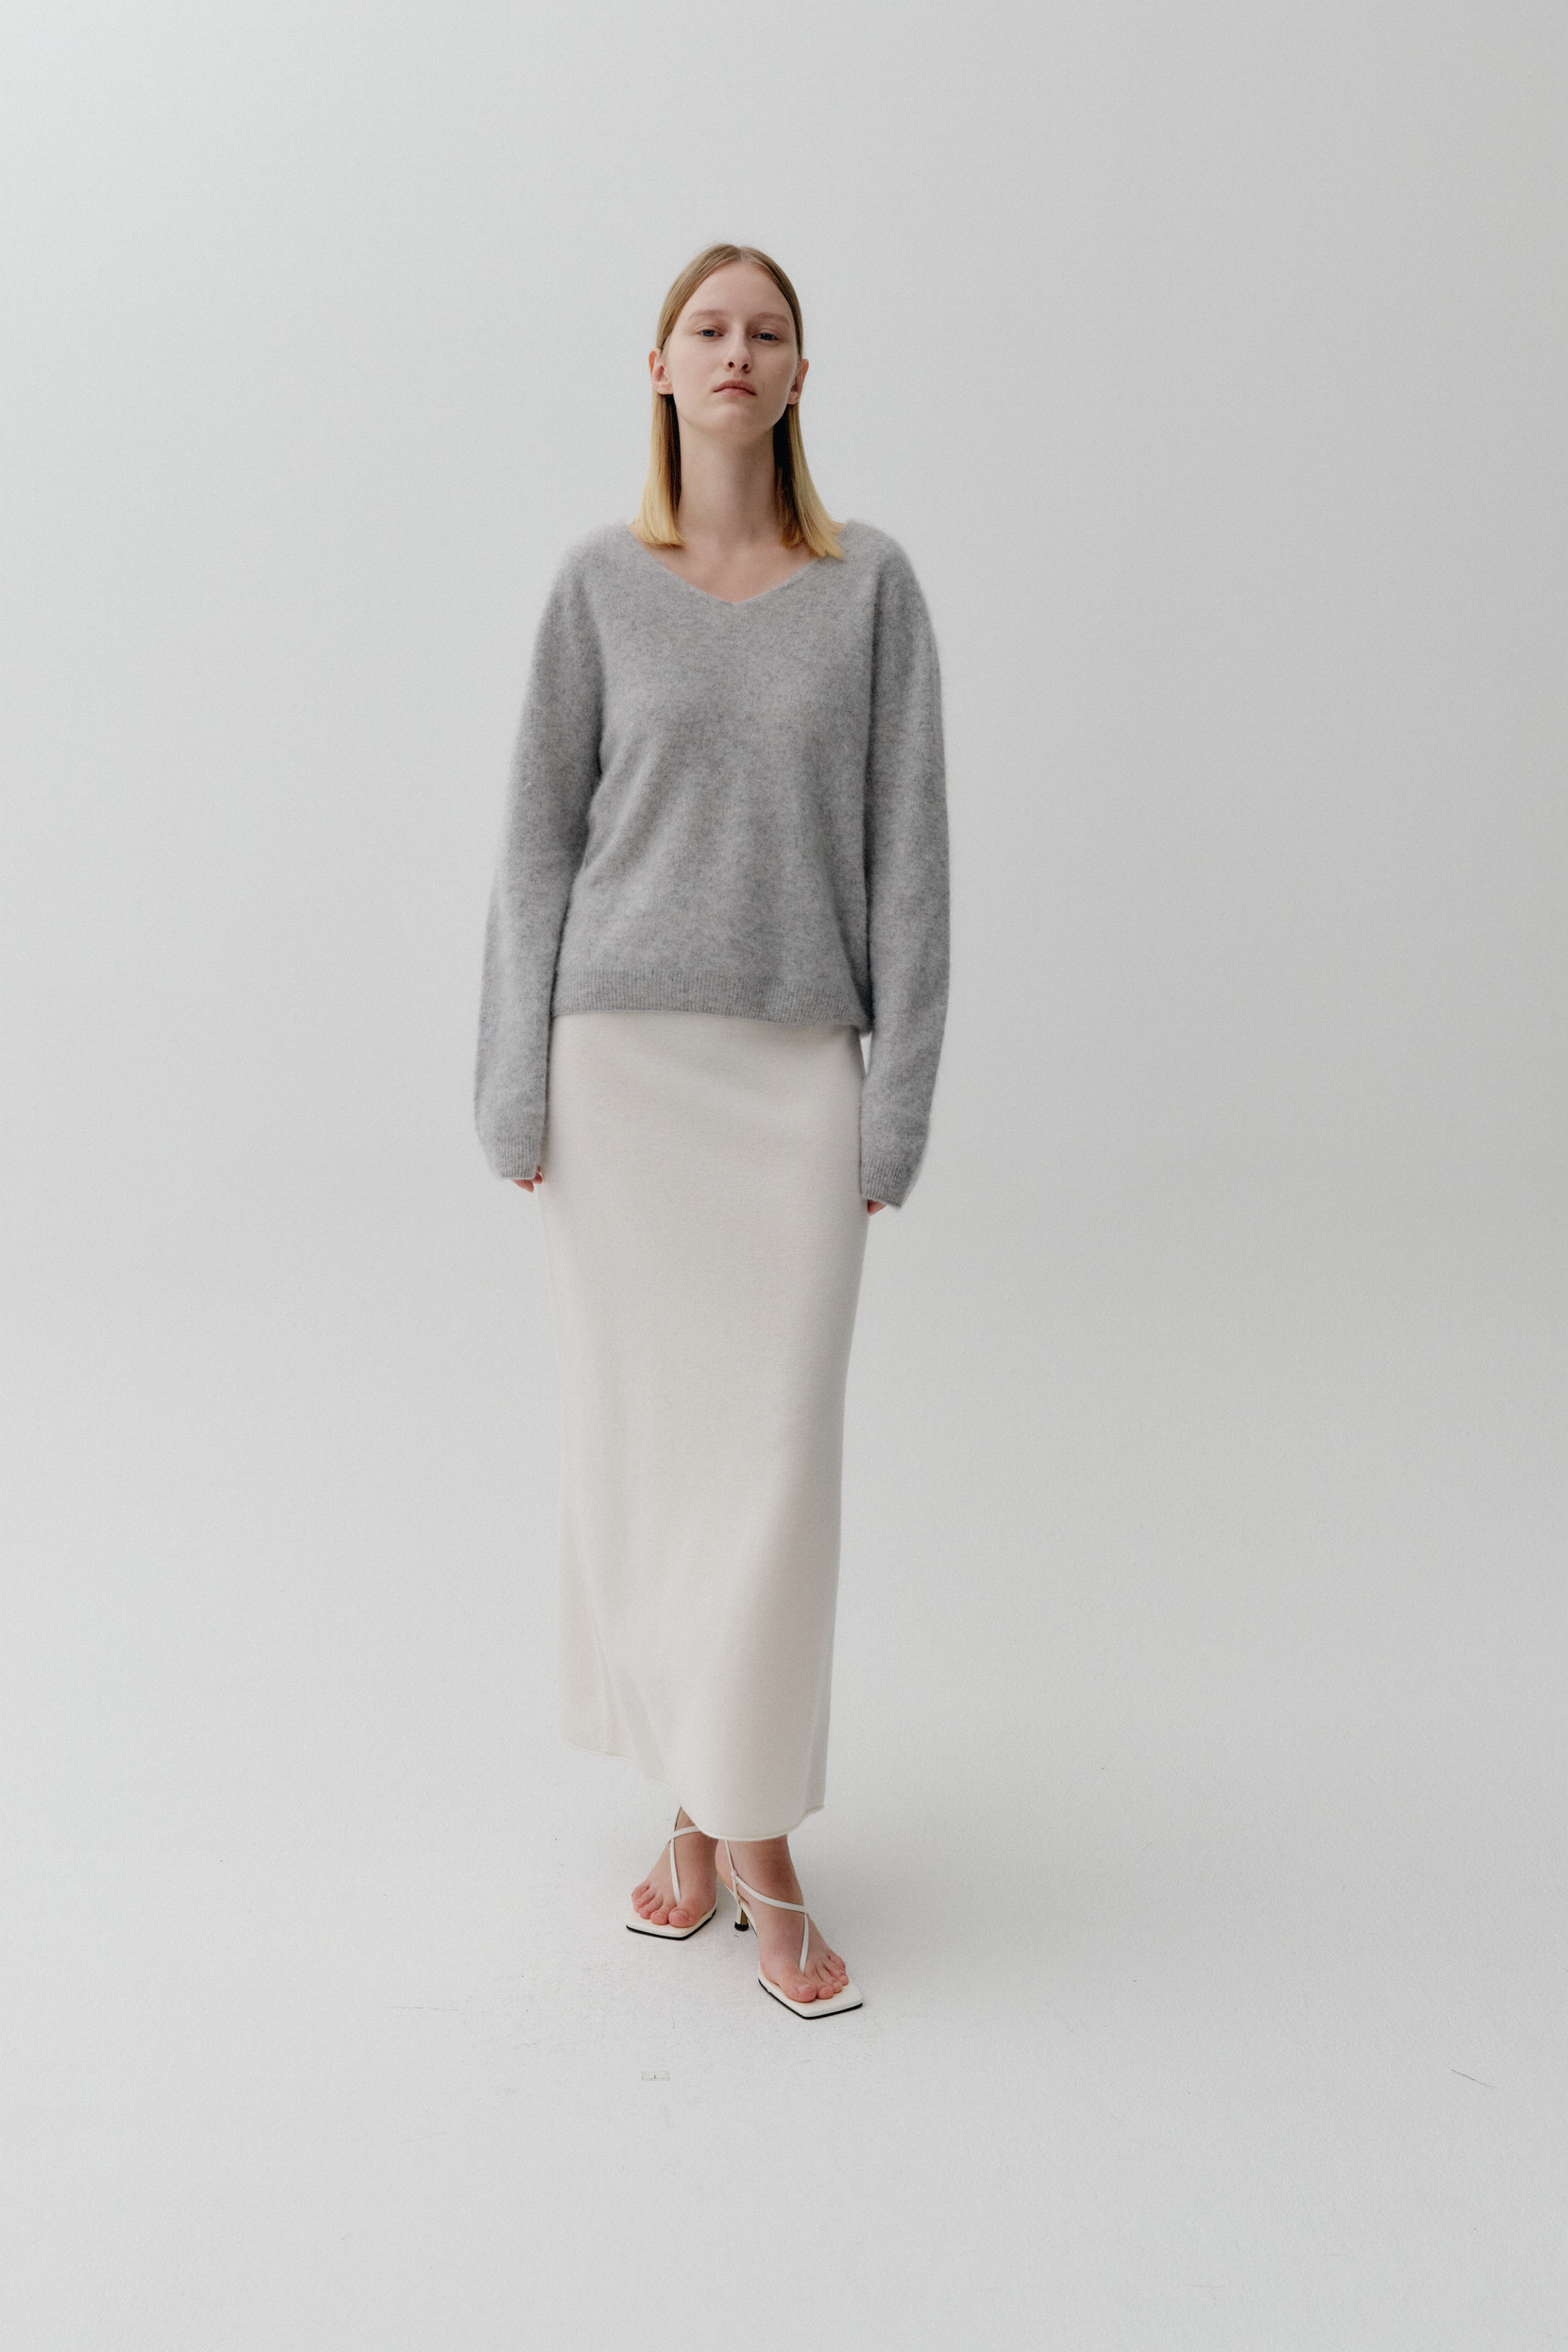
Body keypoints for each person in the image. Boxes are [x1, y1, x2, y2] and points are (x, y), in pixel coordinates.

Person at [474, 242, 949, 2017]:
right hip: (617, 1081)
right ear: (661, 366)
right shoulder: (598, 586)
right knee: (651, 1461)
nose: (736, 352)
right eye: (708, 328)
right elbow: (536, 842)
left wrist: (897, 1102)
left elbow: (912, 858)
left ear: (801, 374)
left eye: (767, 331)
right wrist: (511, 1081)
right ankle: (730, 1829)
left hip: (792, 1080)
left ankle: (729, 1825)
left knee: (774, 1469)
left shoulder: (869, 586)